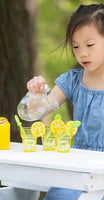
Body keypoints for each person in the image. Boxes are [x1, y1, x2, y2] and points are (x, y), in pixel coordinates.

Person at [27, 4, 104, 200]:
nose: (82, 53)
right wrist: (36, 95)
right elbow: (37, 112)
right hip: (77, 168)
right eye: (76, 46)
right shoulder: (72, 80)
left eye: (90, 45)